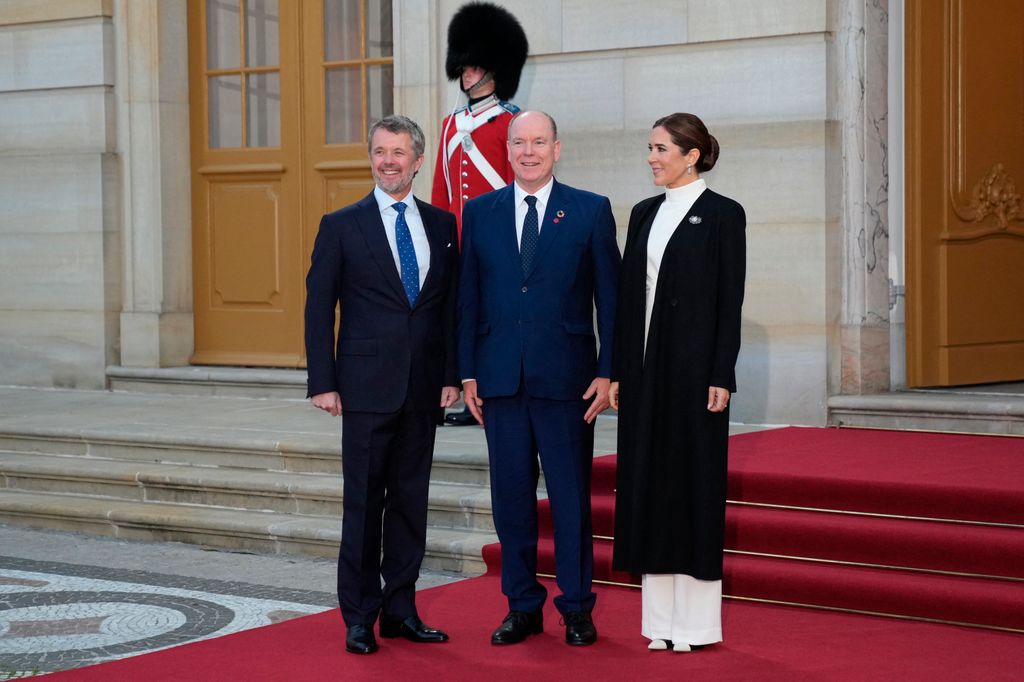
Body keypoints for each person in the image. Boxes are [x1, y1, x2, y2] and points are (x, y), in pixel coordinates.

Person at [457, 111, 620, 646]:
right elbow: (468, 299)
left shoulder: (591, 211)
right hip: (500, 381)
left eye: (540, 142)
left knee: (571, 500)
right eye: (520, 143)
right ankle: (522, 606)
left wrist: (608, 372)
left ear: (557, 148)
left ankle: (576, 607)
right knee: (511, 500)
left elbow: (611, 303)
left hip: (568, 382)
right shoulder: (479, 212)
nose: (529, 151)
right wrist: (467, 372)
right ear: (508, 150)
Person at [304, 115, 460, 655]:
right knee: (365, 505)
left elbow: (447, 309)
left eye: (398, 152)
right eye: (379, 152)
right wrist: (322, 381)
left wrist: (449, 376)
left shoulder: (442, 225)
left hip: (422, 391)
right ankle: (359, 616)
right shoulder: (341, 225)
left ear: (418, 160)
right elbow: (318, 309)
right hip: (365, 388)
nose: (388, 161)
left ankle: (401, 610)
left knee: (410, 505)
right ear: (371, 158)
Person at [608, 112, 746, 653]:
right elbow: (627, 300)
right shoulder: (643, 213)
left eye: (661, 148)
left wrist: (721, 371)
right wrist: (618, 370)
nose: (651, 158)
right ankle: (658, 624)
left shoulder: (722, 215)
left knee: (692, 488)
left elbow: (728, 302)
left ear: (692, 154)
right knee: (649, 487)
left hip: (695, 377)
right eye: (649, 147)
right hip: (644, 373)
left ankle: (694, 627)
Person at [432, 1, 528, 427]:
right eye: (465, 67)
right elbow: (442, 186)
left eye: (475, 66)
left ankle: (486, 395)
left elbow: (518, 183)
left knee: (491, 318)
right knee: (457, 314)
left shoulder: (512, 122)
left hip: (496, 238)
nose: (468, 74)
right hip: (458, 235)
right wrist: (438, 232)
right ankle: (451, 388)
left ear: (494, 70)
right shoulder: (451, 125)